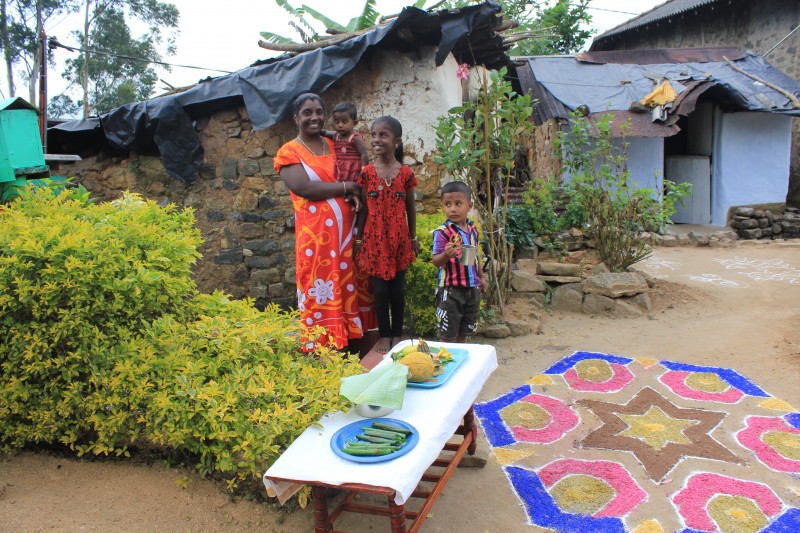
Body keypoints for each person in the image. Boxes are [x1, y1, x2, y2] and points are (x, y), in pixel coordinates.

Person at [274, 93, 376, 351]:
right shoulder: (289, 151)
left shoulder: (336, 144)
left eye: (319, 112)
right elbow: (304, 187)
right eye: (307, 112)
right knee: (322, 286)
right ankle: (323, 352)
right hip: (318, 241)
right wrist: (347, 187)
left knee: (353, 283)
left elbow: (358, 163)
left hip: (350, 236)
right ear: (296, 118)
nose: (314, 117)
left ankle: (356, 346)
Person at [355, 116, 420, 353]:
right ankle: (384, 334)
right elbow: (362, 209)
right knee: (380, 290)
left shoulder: (405, 174)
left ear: (397, 141)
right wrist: (359, 240)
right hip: (375, 241)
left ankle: (397, 333)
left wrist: (413, 239)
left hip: (399, 241)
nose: (376, 139)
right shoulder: (367, 173)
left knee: (398, 290)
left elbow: (410, 209)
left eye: (383, 135)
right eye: (373, 135)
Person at [431, 181, 489, 343]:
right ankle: (447, 363)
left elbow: (475, 256)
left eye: (458, 204)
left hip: (471, 290)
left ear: (469, 206)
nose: (453, 209)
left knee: (465, 333)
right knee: (447, 335)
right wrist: (446, 255)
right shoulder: (443, 232)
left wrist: (481, 278)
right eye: (447, 204)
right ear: (442, 206)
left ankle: (461, 362)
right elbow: (436, 261)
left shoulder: (472, 229)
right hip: (451, 292)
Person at [321, 101, 370, 183]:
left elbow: (364, 154)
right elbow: (325, 133)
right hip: (340, 169)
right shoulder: (336, 135)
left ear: (354, 123)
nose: (340, 125)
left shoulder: (355, 138)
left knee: (354, 189)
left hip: (353, 170)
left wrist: (364, 170)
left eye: (344, 122)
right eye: (337, 122)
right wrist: (315, 130)